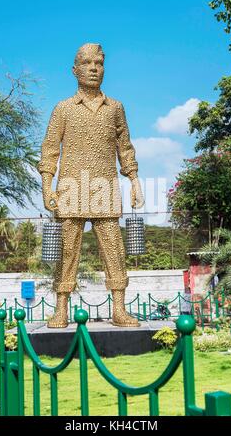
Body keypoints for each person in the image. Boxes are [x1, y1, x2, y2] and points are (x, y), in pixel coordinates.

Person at [38, 43, 145, 328]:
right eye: (87, 63)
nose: (93, 68)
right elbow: (49, 150)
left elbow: (126, 148)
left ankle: (119, 309)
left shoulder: (116, 108)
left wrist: (134, 181)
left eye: (98, 63)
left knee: (114, 249)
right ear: (75, 70)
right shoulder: (63, 109)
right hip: (70, 188)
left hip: (106, 188)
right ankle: (61, 308)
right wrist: (46, 186)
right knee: (67, 250)